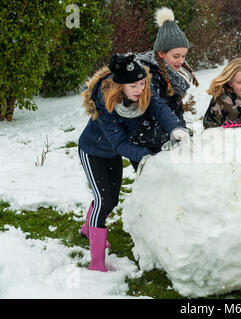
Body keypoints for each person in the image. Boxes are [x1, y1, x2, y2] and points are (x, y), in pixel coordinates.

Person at [78, 52, 189, 272]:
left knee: (112, 199)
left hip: (113, 154)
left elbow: (160, 108)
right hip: (93, 150)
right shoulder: (105, 104)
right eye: (134, 86)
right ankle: (97, 263)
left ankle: (87, 228)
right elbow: (119, 142)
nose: (140, 90)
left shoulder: (143, 93)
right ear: (120, 87)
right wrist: (145, 155)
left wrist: (176, 128)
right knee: (104, 200)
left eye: (142, 83)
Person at [131, 7, 199, 153]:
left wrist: (181, 128)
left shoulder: (177, 76)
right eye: (176, 56)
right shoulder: (147, 74)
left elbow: (176, 107)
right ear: (161, 53)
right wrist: (174, 128)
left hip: (167, 135)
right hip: (146, 140)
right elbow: (157, 105)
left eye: (184, 56)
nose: (181, 61)